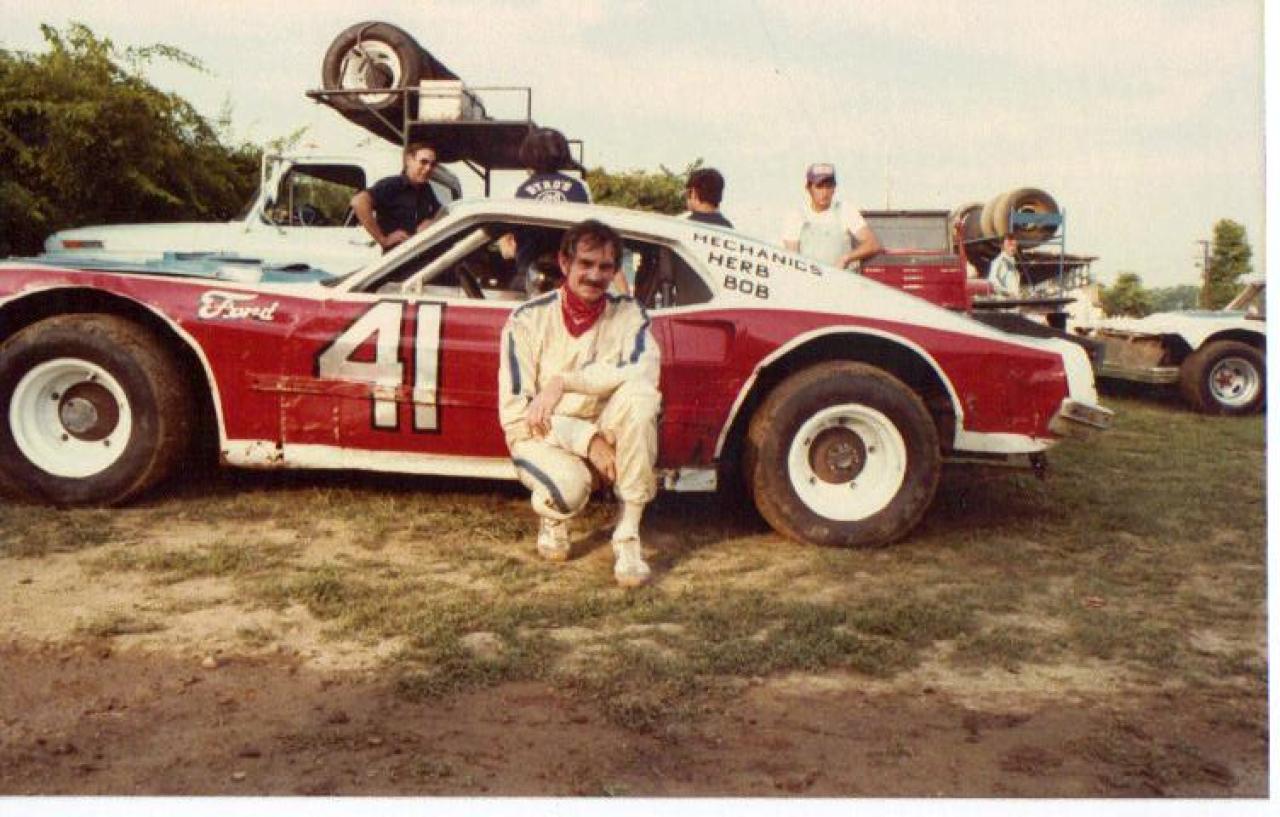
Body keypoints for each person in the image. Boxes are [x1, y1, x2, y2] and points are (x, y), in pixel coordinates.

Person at [498, 219, 661, 588]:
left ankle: (628, 536)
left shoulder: (629, 313)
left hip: (604, 428)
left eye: (605, 267)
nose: (595, 275)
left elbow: (644, 371)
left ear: (616, 271)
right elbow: (517, 417)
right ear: (564, 263)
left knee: (640, 397)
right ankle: (554, 516)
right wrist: (588, 440)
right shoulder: (528, 318)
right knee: (569, 489)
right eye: (585, 264)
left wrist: (564, 382)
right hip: (545, 435)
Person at [781, 163, 882, 270]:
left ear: (834, 188)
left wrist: (846, 258)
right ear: (808, 188)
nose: (825, 192)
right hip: (810, 278)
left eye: (829, 186)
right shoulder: (796, 216)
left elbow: (873, 244)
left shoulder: (845, 211)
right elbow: (793, 260)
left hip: (842, 278)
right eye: (819, 187)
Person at [350, 142, 443, 252]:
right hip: (397, 256)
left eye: (432, 164)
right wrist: (383, 240)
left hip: (418, 253)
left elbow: (441, 212)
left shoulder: (426, 189)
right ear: (409, 160)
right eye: (423, 162)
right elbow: (358, 201)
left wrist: (431, 222)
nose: (428, 168)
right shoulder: (393, 185)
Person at [988, 234, 1023, 299]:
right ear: (1002, 247)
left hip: (1014, 300)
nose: (1012, 248)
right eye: (1009, 245)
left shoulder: (1013, 262)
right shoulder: (998, 262)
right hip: (1004, 301)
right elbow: (992, 281)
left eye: (1014, 245)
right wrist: (1007, 293)